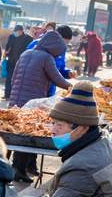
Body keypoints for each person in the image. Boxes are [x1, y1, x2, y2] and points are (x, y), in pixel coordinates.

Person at [9, 31, 72, 183]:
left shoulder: (26, 53)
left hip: (15, 100)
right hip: (32, 102)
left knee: (13, 135)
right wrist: (73, 88)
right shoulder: (46, 57)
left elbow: (13, 78)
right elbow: (56, 78)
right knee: (26, 136)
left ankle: (12, 168)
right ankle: (19, 170)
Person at [26, 25, 76, 97]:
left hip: (50, 91)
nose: (63, 45)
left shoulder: (61, 49)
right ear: (56, 36)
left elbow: (59, 69)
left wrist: (68, 73)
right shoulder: (36, 45)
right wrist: (69, 87)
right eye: (63, 42)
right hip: (34, 89)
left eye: (66, 43)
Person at [4, 24, 33, 99]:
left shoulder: (28, 39)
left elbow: (30, 50)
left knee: (18, 80)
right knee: (9, 78)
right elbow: (8, 46)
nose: (15, 33)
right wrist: (6, 53)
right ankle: (7, 95)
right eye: (15, 31)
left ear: (21, 31)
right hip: (11, 61)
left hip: (22, 62)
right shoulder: (12, 36)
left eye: (17, 32)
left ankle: (15, 96)